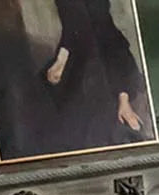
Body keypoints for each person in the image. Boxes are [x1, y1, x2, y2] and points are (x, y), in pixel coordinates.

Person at [43, 0, 149, 150]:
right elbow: (71, 30)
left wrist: (123, 99)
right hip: (78, 67)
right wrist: (60, 60)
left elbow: (109, 38)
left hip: (107, 74)